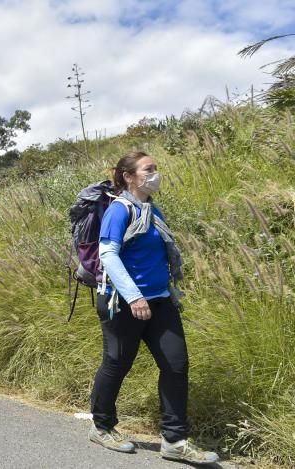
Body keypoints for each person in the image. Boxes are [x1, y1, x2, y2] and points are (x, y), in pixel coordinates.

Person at [87, 152, 218, 464]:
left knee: (176, 365)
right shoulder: (119, 210)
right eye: (149, 169)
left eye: (155, 168)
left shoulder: (152, 209)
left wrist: (165, 289)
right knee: (117, 363)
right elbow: (109, 255)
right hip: (123, 302)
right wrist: (134, 297)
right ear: (129, 177)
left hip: (159, 300)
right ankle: (102, 426)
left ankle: (174, 440)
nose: (155, 173)